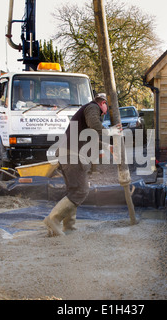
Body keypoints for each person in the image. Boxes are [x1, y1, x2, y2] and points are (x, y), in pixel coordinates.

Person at [43, 93, 122, 237]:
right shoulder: (92, 108)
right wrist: (111, 131)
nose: (106, 112)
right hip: (72, 154)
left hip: (67, 153)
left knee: (73, 190)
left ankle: (69, 226)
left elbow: (90, 135)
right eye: (106, 107)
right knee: (81, 190)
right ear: (103, 103)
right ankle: (53, 220)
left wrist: (107, 146)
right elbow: (96, 128)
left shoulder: (86, 110)